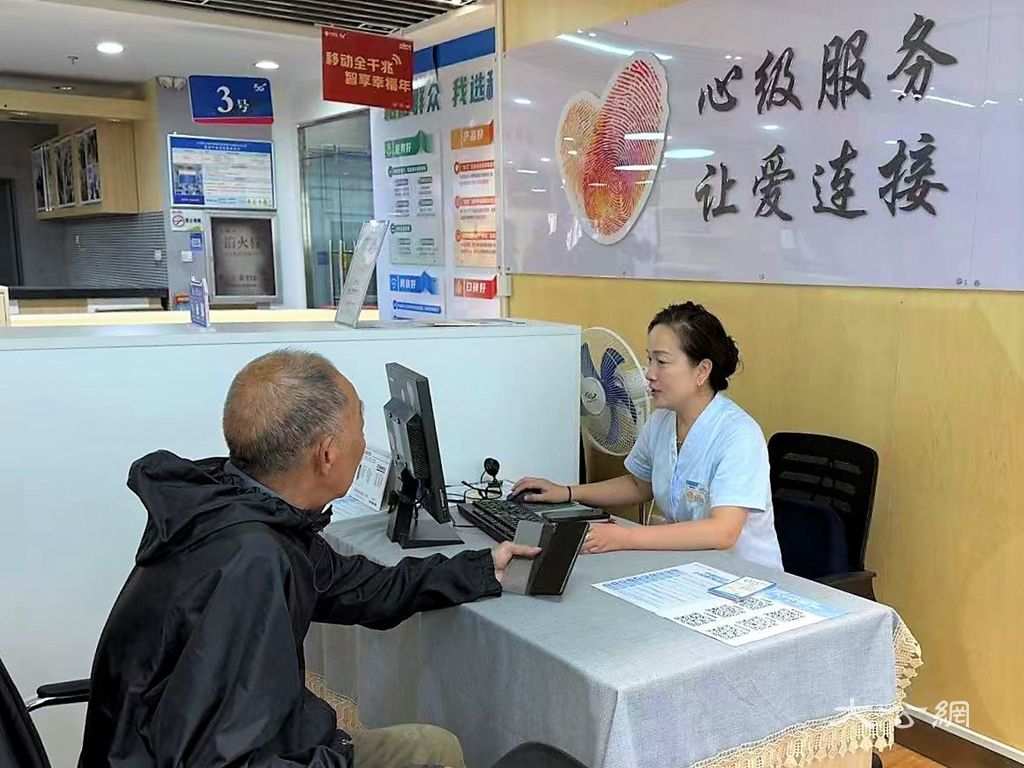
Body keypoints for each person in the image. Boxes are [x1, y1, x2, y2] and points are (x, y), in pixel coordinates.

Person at [79, 350, 539, 768]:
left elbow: (359, 587)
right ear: (328, 454)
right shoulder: (251, 561)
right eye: (361, 428)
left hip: (197, 743)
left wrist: (481, 568)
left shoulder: (238, 508)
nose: (365, 444)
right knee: (430, 752)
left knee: (429, 747)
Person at [514, 302, 783, 570]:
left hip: (746, 578)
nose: (649, 374)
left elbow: (722, 532)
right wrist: (567, 492)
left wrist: (625, 537)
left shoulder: (738, 434)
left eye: (662, 362)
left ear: (702, 370)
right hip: (690, 568)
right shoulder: (661, 420)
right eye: (649, 360)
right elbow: (638, 484)